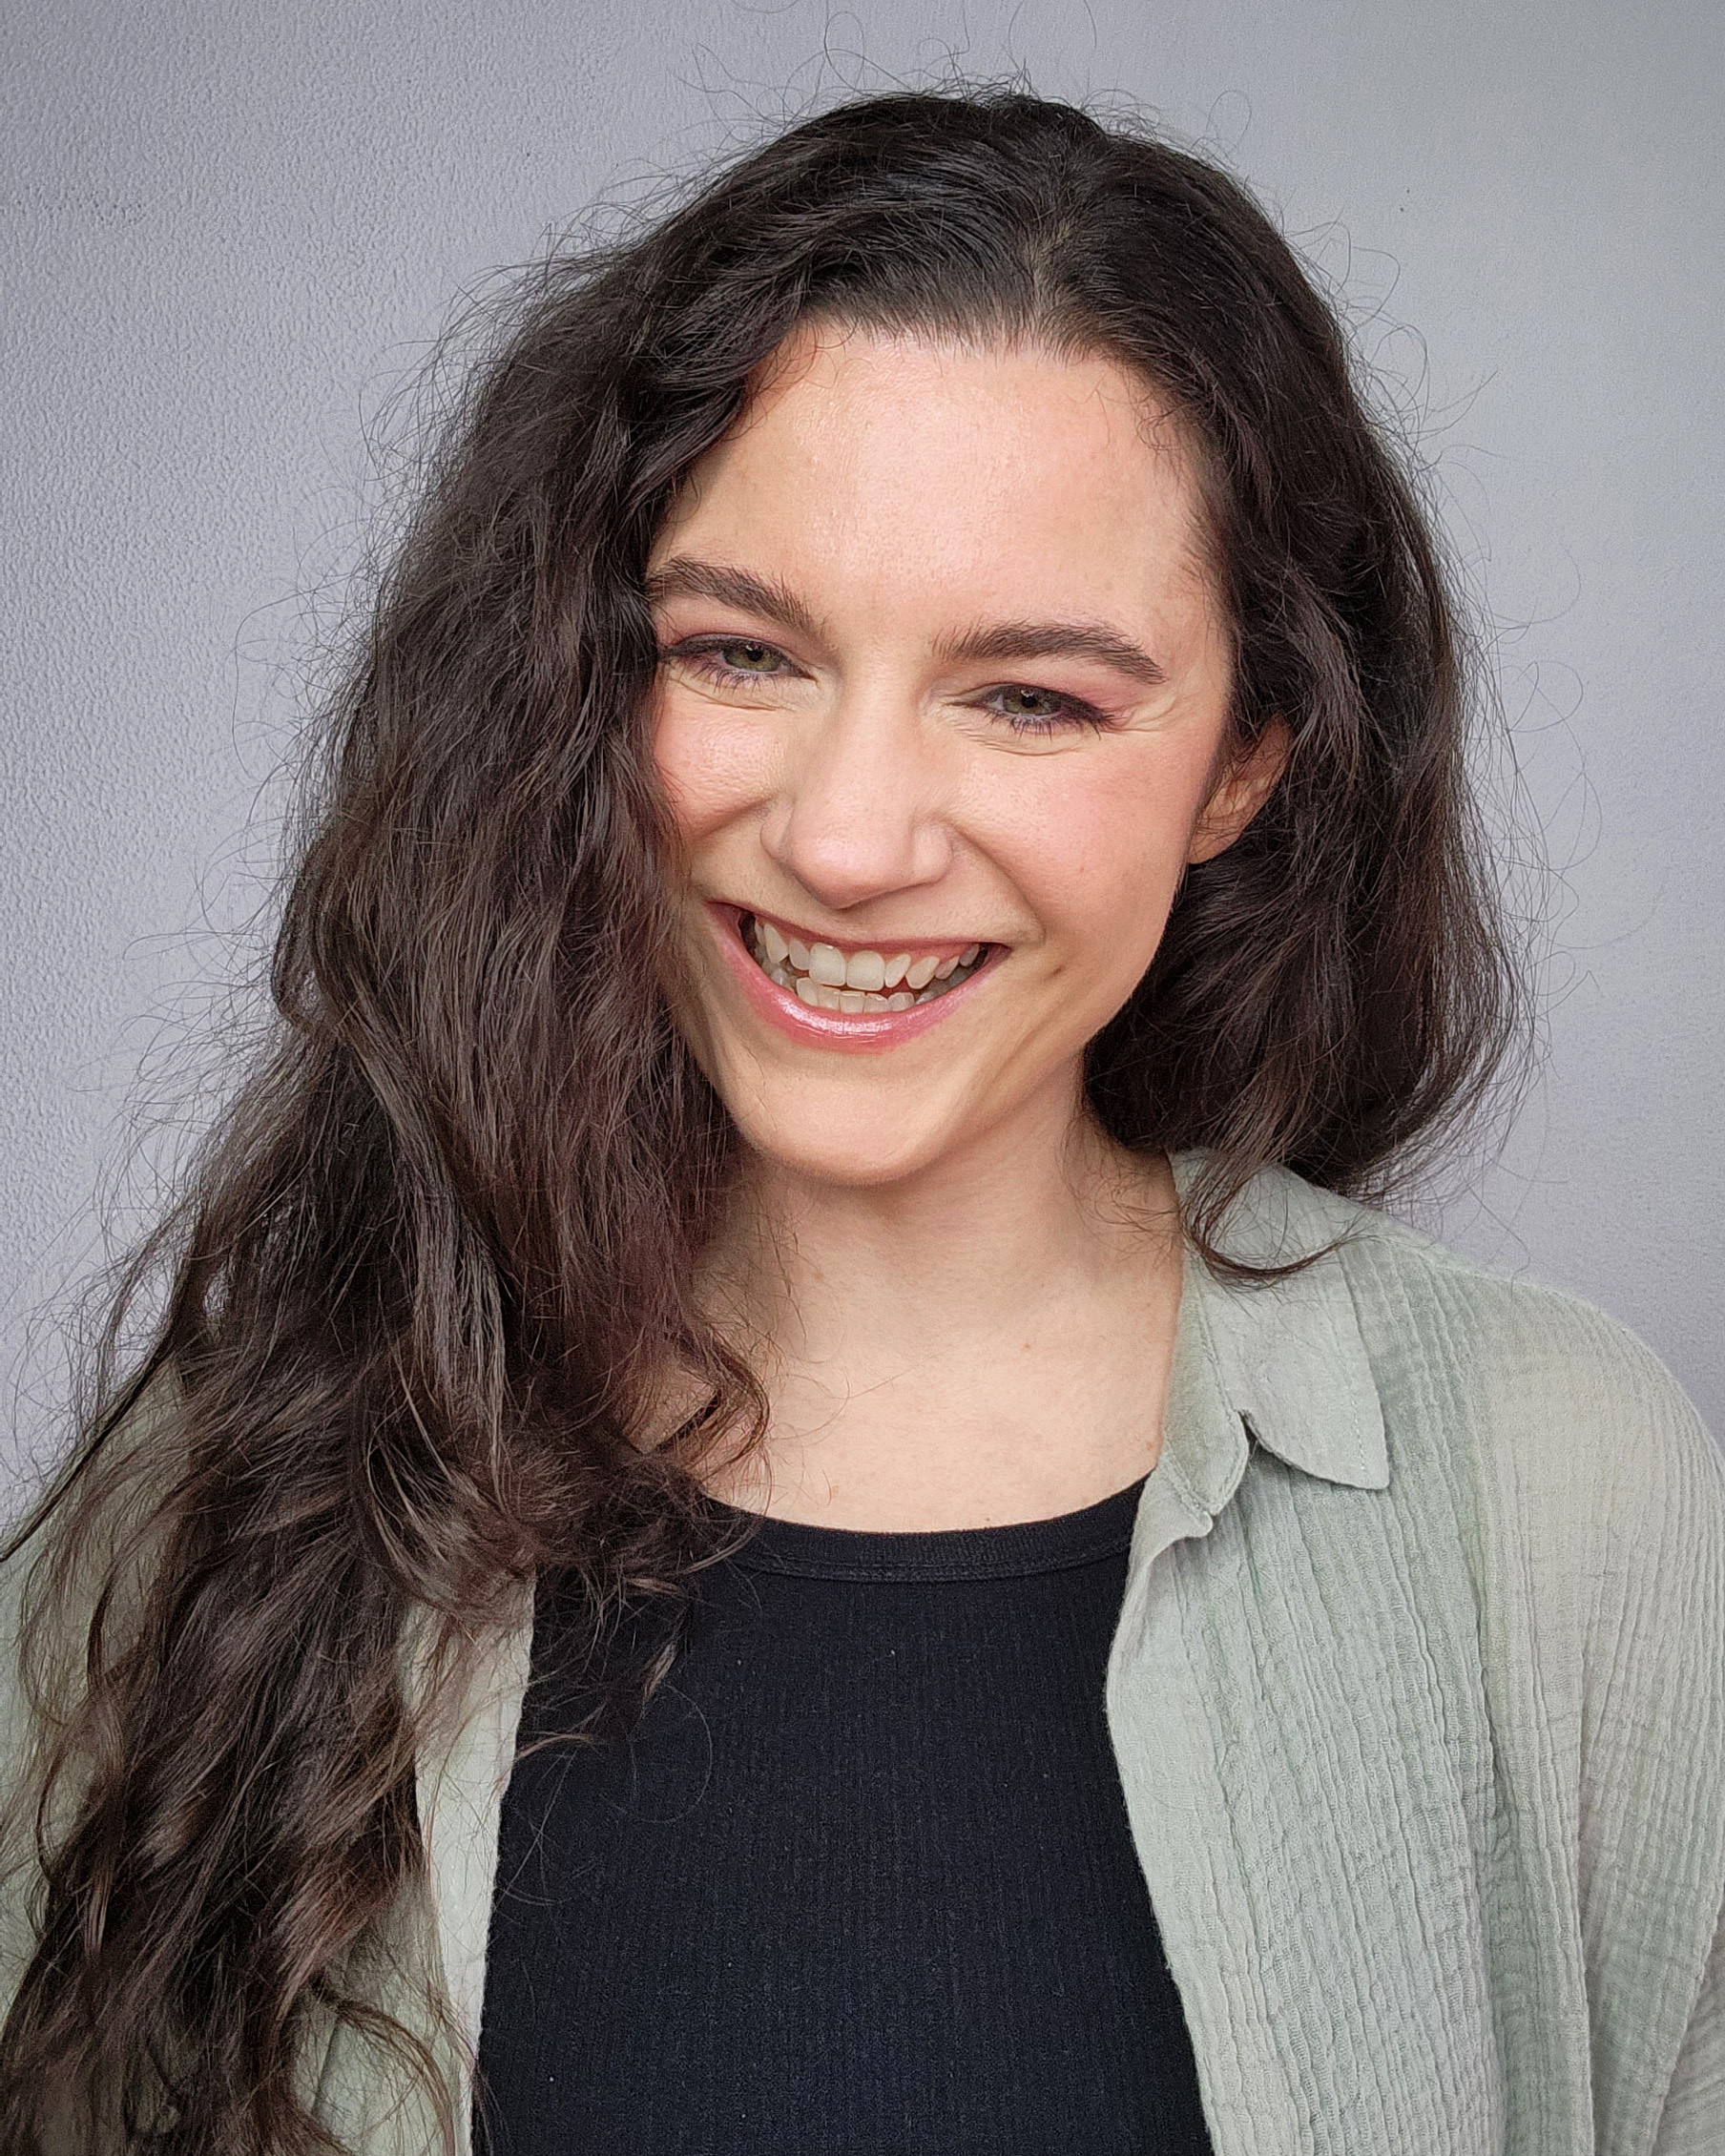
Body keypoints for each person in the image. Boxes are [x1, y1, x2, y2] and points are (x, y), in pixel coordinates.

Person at [0, 84, 1720, 2156]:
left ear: (1247, 759)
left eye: (1032, 696)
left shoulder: (1559, 1492)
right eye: (740, 650)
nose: (843, 834)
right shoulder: (239, 1487)